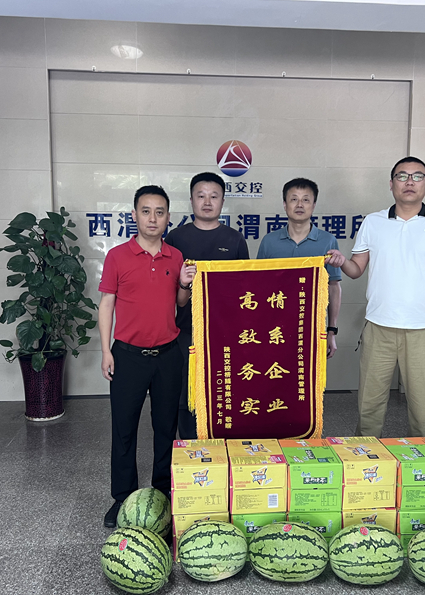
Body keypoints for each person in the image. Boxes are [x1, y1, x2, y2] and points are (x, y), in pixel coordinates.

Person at [326, 157, 425, 445]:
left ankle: (424, 465)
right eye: (402, 176)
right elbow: (356, 268)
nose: (409, 182)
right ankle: (363, 461)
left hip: (422, 330)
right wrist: (341, 261)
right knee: (369, 406)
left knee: (423, 411)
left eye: (417, 176)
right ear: (391, 184)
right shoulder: (373, 222)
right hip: (379, 328)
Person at [98, 185, 196, 528]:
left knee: (165, 427)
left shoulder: (176, 256)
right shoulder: (117, 256)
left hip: (168, 356)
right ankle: (122, 497)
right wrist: (105, 351)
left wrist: (184, 284)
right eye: (145, 211)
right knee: (124, 428)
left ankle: (163, 492)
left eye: (159, 212)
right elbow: (106, 304)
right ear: (134, 215)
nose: (152, 218)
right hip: (127, 356)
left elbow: (180, 303)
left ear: (168, 217)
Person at [165, 172, 249, 439]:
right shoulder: (176, 239)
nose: (207, 202)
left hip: (226, 332)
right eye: (201, 196)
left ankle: (224, 445)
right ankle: (190, 447)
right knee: (186, 393)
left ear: (223, 201)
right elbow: (168, 289)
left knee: (224, 389)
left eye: (214, 196)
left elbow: (245, 289)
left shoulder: (235, 240)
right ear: (191, 200)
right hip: (185, 330)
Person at [257, 177, 342, 358]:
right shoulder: (269, 242)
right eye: (294, 199)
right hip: (274, 326)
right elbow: (259, 286)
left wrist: (331, 330)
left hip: (313, 326)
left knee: (309, 373)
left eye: (306, 200)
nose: (300, 205)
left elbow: (334, 287)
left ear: (314, 205)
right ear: (284, 204)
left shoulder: (328, 241)